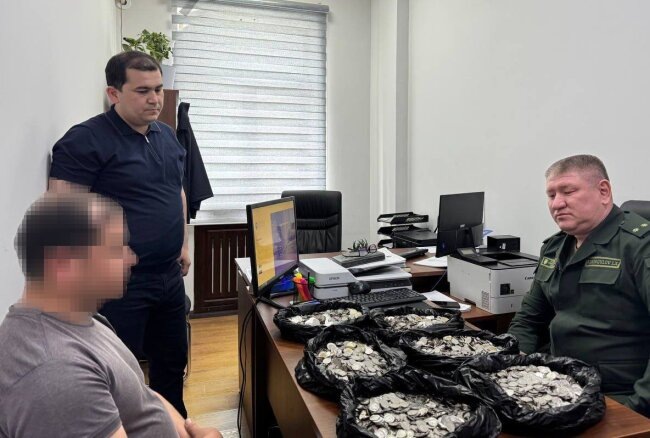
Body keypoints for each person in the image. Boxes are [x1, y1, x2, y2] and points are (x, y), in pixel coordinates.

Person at [0, 192, 221, 437]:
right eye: (117, 248)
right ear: (63, 263)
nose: (132, 258)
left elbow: (140, 393)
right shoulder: (55, 374)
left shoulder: (83, 318)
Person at [48, 51, 190, 416]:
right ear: (114, 93)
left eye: (158, 89)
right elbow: (63, 213)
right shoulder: (85, 140)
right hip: (120, 285)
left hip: (169, 277)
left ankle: (173, 427)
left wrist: (183, 242)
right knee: (119, 375)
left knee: (172, 363)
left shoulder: (166, 136)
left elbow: (176, 191)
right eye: (143, 91)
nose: (155, 99)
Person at [508, 154, 650, 416]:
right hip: (560, 384)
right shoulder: (554, 248)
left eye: (568, 191)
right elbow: (529, 320)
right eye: (551, 195)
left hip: (618, 394)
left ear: (603, 191)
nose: (557, 203)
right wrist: (508, 371)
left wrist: (636, 410)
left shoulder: (639, 246)